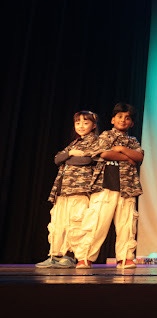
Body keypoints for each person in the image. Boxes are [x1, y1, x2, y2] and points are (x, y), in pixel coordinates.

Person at [75, 103, 144, 269]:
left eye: (127, 118)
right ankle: (85, 257)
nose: (123, 120)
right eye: (119, 117)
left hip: (127, 186)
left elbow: (139, 157)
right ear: (113, 120)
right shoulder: (105, 135)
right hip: (104, 184)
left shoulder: (132, 141)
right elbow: (104, 153)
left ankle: (125, 258)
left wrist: (121, 149)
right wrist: (127, 157)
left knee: (126, 223)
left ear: (132, 123)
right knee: (97, 221)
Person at [36, 110, 101, 268]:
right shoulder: (74, 144)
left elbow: (86, 160)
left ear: (93, 125)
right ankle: (56, 255)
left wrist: (67, 158)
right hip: (63, 190)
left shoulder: (95, 141)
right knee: (59, 223)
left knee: (76, 223)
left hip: (79, 189)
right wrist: (70, 153)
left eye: (85, 122)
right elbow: (57, 159)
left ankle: (72, 256)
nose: (81, 126)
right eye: (78, 123)